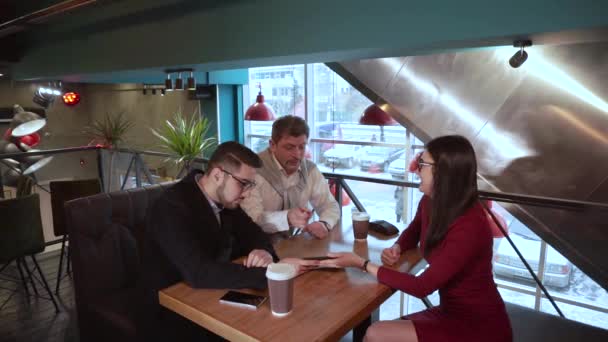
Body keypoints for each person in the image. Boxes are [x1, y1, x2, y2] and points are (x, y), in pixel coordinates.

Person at [320, 135, 512, 342]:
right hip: (450, 312)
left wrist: (361, 263)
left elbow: (422, 287)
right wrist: (398, 246)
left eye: (422, 163)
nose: (415, 169)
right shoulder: (431, 202)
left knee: (375, 334)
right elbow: (414, 230)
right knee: (376, 333)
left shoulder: (470, 225)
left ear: (444, 172)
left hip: (479, 327)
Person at [138, 141, 317, 341]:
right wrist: (269, 273)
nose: (248, 193)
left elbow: (254, 234)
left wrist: (264, 252)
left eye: (251, 185)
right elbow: (198, 272)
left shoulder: (224, 199)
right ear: (217, 175)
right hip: (171, 312)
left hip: (211, 295)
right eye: (243, 183)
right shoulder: (171, 207)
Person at [241, 115, 340, 239]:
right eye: (289, 147)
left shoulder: (310, 170)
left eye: (302, 147)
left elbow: (330, 205)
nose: (297, 155)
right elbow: (253, 219)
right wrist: (286, 218)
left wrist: (324, 223)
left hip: (293, 245)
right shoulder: (252, 171)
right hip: (253, 247)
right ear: (272, 145)